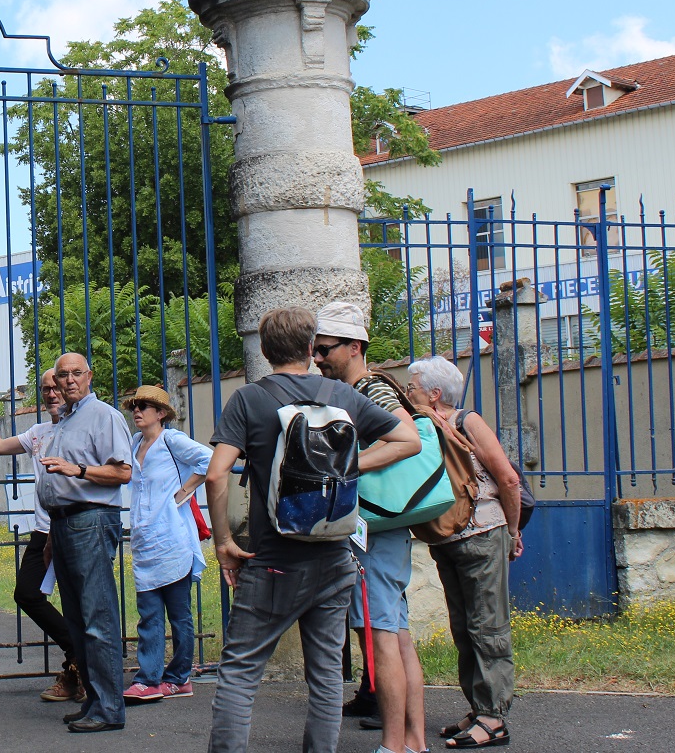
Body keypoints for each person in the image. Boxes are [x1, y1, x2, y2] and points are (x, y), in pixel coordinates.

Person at [204, 305, 419, 753]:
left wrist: (224, 541)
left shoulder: (249, 399)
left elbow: (215, 474)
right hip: (335, 556)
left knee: (241, 673)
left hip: (274, 562)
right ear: (309, 348)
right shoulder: (342, 396)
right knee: (324, 675)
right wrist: (343, 468)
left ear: (263, 350)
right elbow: (408, 440)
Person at [313, 300, 426, 753]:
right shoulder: (371, 388)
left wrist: (347, 466)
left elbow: (408, 440)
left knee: (381, 637)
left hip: (373, 532)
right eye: (315, 350)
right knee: (395, 635)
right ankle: (414, 742)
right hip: (385, 530)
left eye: (325, 349)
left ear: (355, 346)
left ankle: (394, 746)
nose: (318, 358)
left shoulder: (368, 390)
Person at [406, 356, 522, 750]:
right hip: (448, 539)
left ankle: (494, 719)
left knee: (486, 626)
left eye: (413, 387)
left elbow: (507, 477)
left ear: (435, 393)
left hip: (483, 533)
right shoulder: (420, 424)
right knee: (464, 627)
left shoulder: (467, 421)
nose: (408, 393)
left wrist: (513, 528)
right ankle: (479, 707)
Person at [0, 371, 84, 703]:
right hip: (43, 532)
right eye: (46, 389)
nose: (51, 393)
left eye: (56, 387)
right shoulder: (38, 433)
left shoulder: (83, 428)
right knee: (27, 594)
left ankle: (78, 671)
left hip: (73, 528)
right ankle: (80, 655)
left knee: (78, 603)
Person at [38, 352, 133, 733]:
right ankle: (95, 701)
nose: (70, 380)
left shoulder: (104, 416)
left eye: (77, 373)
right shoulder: (66, 419)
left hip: (90, 520)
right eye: (63, 375)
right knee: (77, 620)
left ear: (89, 376)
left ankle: (110, 708)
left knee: (97, 617)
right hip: (64, 524)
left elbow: (122, 472)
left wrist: (76, 469)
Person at [121, 384, 212, 702]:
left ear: (161, 413)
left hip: (173, 540)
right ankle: (149, 679)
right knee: (148, 614)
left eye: (144, 406)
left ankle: (178, 677)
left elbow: (209, 460)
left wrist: (184, 491)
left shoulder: (172, 441)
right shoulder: (133, 444)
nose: (137, 411)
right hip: (145, 542)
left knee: (179, 614)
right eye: (135, 405)